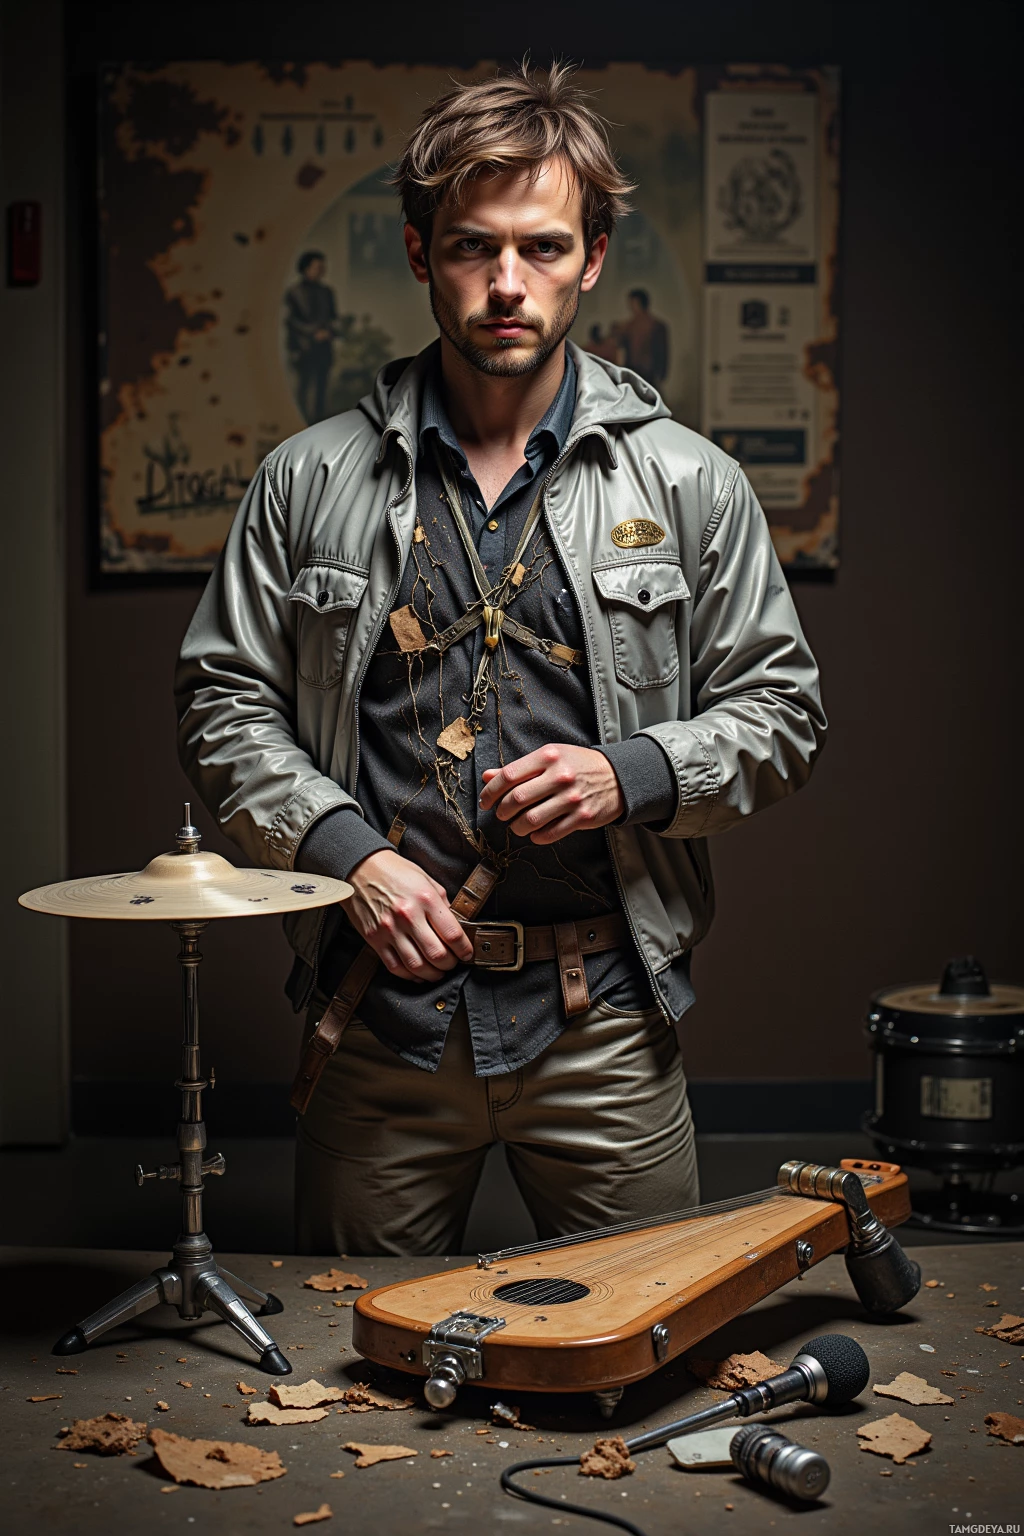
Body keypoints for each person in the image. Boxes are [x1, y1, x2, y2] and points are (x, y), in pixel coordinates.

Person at [176, 63, 826, 1257]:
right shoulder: (307, 480)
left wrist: (630, 770)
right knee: (343, 1379)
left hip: (606, 1026)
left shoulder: (689, 483)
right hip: (381, 1020)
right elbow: (222, 707)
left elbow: (782, 711)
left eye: (542, 246)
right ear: (422, 253)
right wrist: (347, 860)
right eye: (475, 246)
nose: (508, 284)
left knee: (643, 1360)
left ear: (593, 254)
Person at [284, 251, 340, 423]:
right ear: (306, 268)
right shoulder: (294, 292)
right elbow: (291, 321)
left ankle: (318, 423)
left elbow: (333, 317)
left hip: (324, 348)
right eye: (317, 267)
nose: (321, 271)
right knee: (304, 388)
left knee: (322, 390)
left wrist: (329, 332)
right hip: (304, 348)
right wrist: (313, 332)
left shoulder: (327, 292)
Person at [620, 287, 669, 389]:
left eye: (632, 303)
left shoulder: (655, 325)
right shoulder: (629, 326)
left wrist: (661, 373)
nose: (630, 307)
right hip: (633, 371)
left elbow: (662, 351)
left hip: (648, 372)